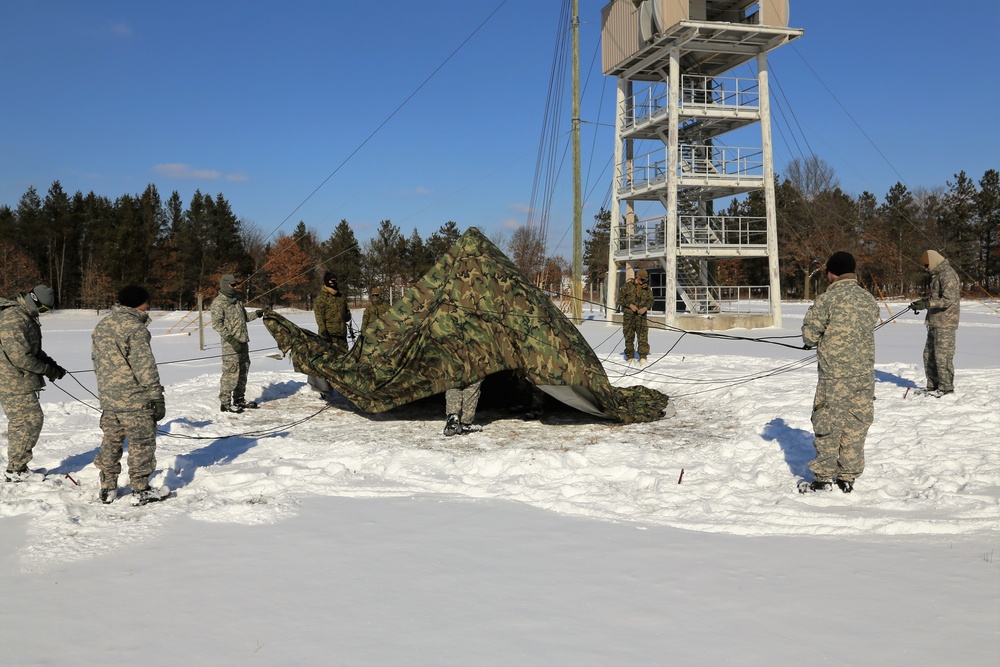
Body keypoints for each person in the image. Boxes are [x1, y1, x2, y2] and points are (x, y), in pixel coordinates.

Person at [799, 251, 879, 494]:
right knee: (856, 425)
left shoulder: (827, 299)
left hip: (835, 378)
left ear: (832, 273)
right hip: (864, 376)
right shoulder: (868, 299)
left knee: (828, 425)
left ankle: (823, 479)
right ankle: (847, 477)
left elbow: (809, 336)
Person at [91, 285, 166, 505]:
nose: (149, 306)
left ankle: (107, 487)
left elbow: (96, 362)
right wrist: (156, 396)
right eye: (147, 301)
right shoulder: (135, 328)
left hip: (109, 398)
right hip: (135, 398)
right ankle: (141, 489)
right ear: (140, 303)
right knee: (141, 443)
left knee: (111, 442)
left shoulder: (102, 325)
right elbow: (145, 366)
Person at [0, 285, 66, 482]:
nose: (43, 313)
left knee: (27, 421)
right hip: (11, 380)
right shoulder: (14, 319)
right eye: (44, 309)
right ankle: (16, 470)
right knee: (28, 421)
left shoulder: (24, 316)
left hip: (18, 379)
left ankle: (17, 467)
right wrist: (46, 369)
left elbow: (32, 349)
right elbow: (20, 356)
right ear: (34, 301)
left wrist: (50, 363)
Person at [210, 274, 264, 413]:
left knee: (243, 371)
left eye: (236, 284)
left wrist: (257, 314)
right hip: (231, 345)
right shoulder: (218, 303)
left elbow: (244, 317)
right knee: (231, 373)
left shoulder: (237, 301)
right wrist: (232, 340)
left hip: (243, 341)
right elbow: (216, 324)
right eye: (232, 285)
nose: (235, 287)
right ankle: (226, 403)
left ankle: (239, 399)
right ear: (225, 285)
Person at [910, 250, 960, 397]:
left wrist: (927, 304)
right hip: (934, 322)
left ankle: (946, 388)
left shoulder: (948, 275)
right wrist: (925, 302)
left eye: (927, 265)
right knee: (929, 355)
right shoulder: (937, 275)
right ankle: (933, 385)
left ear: (934, 262)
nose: (926, 268)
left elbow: (948, 300)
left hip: (946, 323)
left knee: (942, 356)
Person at [619, 269, 654, 364]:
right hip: (629, 317)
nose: (643, 282)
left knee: (643, 337)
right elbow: (620, 299)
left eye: (644, 280)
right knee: (629, 336)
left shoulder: (647, 289)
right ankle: (630, 356)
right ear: (637, 278)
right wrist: (630, 305)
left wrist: (645, 308)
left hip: (641, 317)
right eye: (641, 279)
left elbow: (651, 301)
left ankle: (643, 357)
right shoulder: (627, 286)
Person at [314, 272, 352, 354]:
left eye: (335, 280)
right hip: (329, 335)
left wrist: (348, 316)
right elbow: (319, 316)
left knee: (344, 358)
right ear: (327, 282)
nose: (334, 282)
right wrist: (323, 331)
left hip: (342, 335)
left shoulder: (340, 297)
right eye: (332, 281)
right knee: (330, 360)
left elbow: (347, 310)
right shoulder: (321, 298)